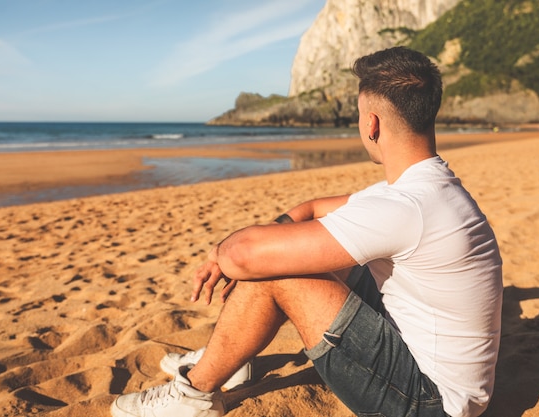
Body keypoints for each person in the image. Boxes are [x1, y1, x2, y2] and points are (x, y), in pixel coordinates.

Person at [110, 46, 503, 417]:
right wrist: (242, 252)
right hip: (431, 370)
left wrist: (220, 254)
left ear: (371, 124)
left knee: (278, 271)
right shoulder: (421, 189)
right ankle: (231, 360)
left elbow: (243, 254)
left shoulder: (405, 207)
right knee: (295, 253)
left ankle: (193, 395)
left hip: (431, 403)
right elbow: (312, 209)